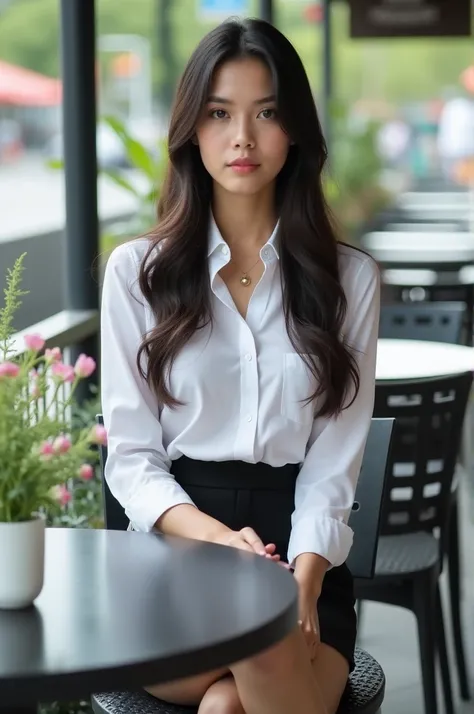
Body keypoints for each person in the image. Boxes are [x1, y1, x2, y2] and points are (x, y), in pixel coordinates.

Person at [100, 17, 380, 714]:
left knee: (232, 702)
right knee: (255, 647)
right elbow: (132, 459)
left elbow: (335, 464)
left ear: (297, 133)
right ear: (193, 129)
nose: (243, 139)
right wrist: (223, 543)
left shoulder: (351, 280)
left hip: (305, 553)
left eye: (267, 114)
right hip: (177, 551)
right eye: (220, 114)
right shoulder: (138, 273)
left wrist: (303, 582)